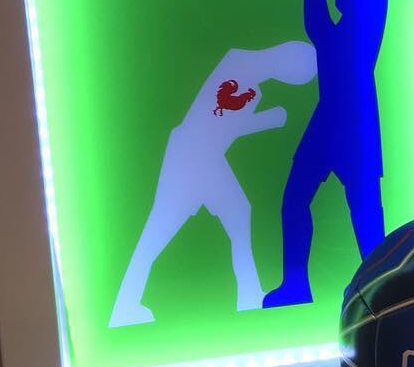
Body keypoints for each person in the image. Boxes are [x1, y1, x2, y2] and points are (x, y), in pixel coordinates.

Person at [108, 41, 317, 327]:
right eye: (294, 74)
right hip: (192, 156)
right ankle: (125, 305)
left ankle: (249, 295)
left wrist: (267, 119)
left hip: (203, 155)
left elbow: (223, 126)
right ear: (286, 59)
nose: (289, 79)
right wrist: (269, 119)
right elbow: (223, 123)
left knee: (236, 214)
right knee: (158, 232)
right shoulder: (240, 67)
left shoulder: (249, 75)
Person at [263, 0, 388, 307]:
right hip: (329, 124)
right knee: (296, 198)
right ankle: (296, 284)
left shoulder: (365, 30)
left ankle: (380, 289)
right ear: (343, 0)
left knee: (365, 213)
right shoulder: (328, 32)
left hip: (357, 127)